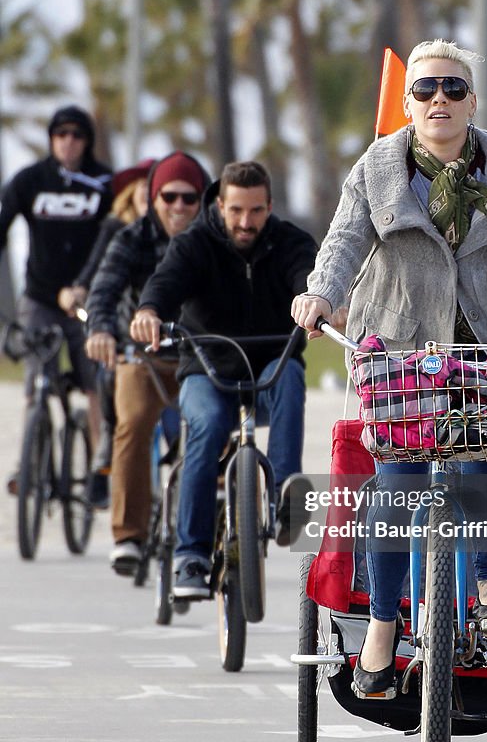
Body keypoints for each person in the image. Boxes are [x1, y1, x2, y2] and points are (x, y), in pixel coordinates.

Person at [292, 39, 487, 697]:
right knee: (396, 483)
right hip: (401, 344)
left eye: (454, 89)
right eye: (426, 89)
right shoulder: (378, 165)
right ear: (407, 102)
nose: (440, 101)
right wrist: (321, 292)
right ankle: (380, 630)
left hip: (485, 339)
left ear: (472, 101)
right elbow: (345, 241)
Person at [130, 160, 318, 599]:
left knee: (290, 375)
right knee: (207, 429)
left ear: (269, 206)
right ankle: (190, 555)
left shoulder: (289, 241)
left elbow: (309, 277)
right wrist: (149, 312)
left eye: (255, 211)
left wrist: (319, 301)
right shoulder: (195, 243)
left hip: (271, 364)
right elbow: (165, 283)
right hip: (208, 371)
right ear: (220, 205)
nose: (245, 222)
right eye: (236, 211)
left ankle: (283, 496)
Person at [86, 151, 209, 576]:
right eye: (169, 197)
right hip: (143, 358)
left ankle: (223, 529)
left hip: (203, 358)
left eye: (189, 198)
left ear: (203, 200)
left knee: (222, 432)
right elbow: (102, 290)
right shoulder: (131, 237)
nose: (178, 207)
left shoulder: (218, 237)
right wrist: (100, 330)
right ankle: (128, 535)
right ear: (153, 198)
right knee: (133, 423)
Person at [0, 105, 112, 499]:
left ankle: (101, 468)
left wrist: (90, 289)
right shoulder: (31, 180)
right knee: (37, 380)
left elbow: (113, 237)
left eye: (76, 134)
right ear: (51, 138)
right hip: (40, 297)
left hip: (87, 300)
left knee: (96, 380)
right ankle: (30, 464)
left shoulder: (102, 183)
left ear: (87, 141)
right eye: (60, 133)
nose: (68, 141)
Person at [59, 159, 154, 486]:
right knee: (106, 370)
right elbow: (98, 273)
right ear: (131, 194)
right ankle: (105, 450)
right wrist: (78, 290)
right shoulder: (118, 230)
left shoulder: (182, 233)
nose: (150, 196)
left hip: (167, 335)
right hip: (121, 328)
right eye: (144, 189)